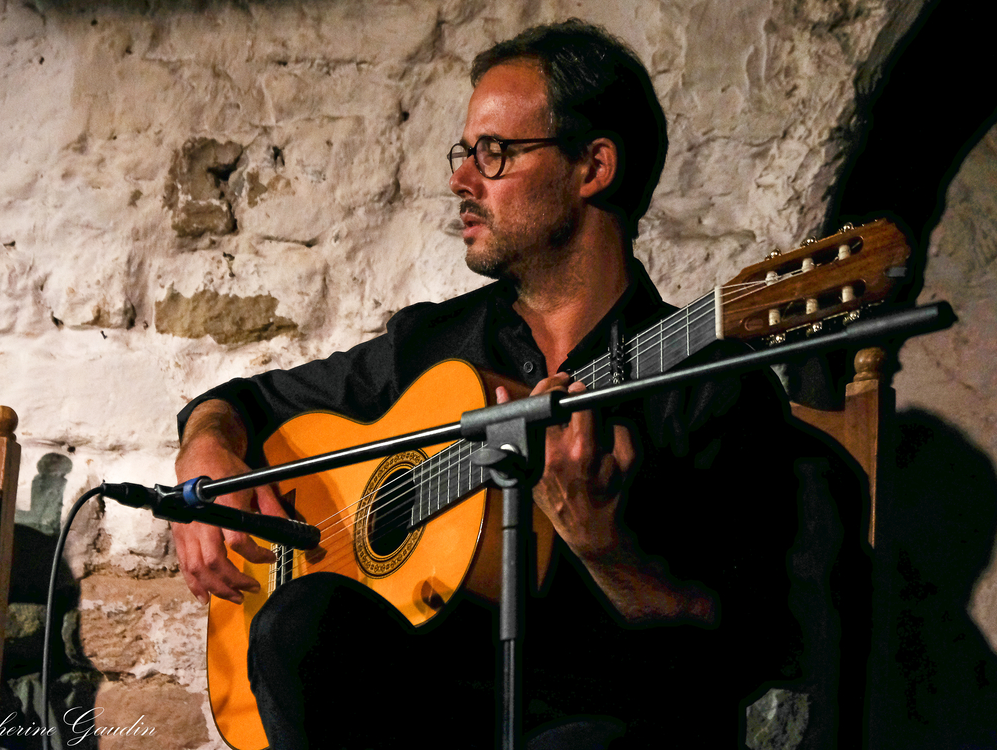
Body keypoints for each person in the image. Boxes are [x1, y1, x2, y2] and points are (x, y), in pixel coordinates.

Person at [173, 20, 816, 749]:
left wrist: (606, 550)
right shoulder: (431, 345)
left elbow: (753, 648)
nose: (461, 180)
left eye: (495, 153)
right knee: (297, 621)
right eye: (465, 153)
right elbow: (245, 404)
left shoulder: (711, 386)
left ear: (593, 166)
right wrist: (205, 454)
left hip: (597, 720)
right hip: (427, 713)